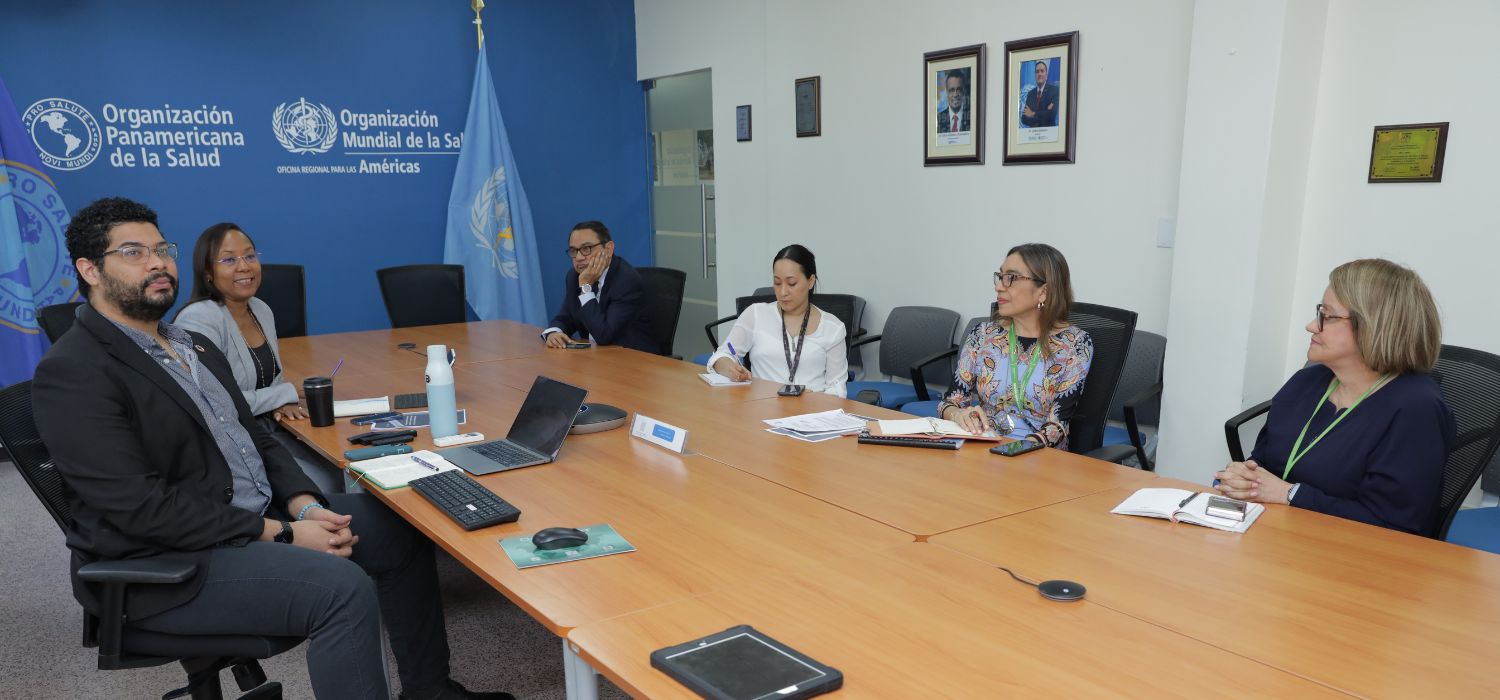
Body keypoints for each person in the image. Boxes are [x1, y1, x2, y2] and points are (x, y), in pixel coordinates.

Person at [31, 197, 511, 700]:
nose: (157, 262)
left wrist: (306, 503)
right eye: (133, 252)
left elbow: (255, 436)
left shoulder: (190, 344)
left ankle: (428, 690)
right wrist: (283, 533)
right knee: (341, 591)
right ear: (90, 270)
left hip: (247, 514)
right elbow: (140, 508)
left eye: (162, 248)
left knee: (398, 524)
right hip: (166, 565)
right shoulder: (74, 371)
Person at [1215, 259, 1454, 535]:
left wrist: (1291, 494)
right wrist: (1243, 479)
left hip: (1359, 560)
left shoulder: (1416, 409)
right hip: (1279, 537)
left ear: (1375, 326)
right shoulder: (1307, 382)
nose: (1310, 326)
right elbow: (1263, 466)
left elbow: (1393, 524)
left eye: (1327, 316)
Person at [174, 222, 340, 494]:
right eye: (229, 259)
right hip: (230, 441)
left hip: (269, 427)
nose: (244, 267)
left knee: (343, 468)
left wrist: (280, 399)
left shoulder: (260, 309)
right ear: (208, 272)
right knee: (323, 485)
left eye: (250, 256)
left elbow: (273, 381)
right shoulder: (199, 319)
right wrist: (281, 395)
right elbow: (215, 404)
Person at [938, 243, 1093, 448]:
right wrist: (958, 414)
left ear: (1043, 292)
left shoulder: (1075, 345)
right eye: (1000, 276)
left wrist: (1013, 450)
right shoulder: (983, 335)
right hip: (981, 445)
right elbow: (949, 402)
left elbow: (1057, 427)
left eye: (1011, 277)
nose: (999, 286)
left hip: (1037, 456)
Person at [706, 244, 848, 397]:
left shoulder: (832, 328)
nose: (782, 292)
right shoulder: (756, 314)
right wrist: (730, 369)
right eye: (777, 283)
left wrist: (811, 399)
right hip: (761, 409)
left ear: (811, 281)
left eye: (792, 283)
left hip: (810, 414)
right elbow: (721, 356)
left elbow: (838, 390)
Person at [541, 220, 657, 353]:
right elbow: (566, 318)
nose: (578, 257)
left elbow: (603, 335)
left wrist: (585, 287)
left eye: (586, 249)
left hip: (634, 359)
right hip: (597, 358)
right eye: (573, 250)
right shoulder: (574, 276)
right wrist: (554, 333)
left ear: (608, 249)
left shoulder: (626, 280)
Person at [1020, 59, 1059, 128]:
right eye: (1037, 72)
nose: (1039, 74)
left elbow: (1051, 115)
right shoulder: (1030, 93)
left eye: (1042, 71)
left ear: (1046, 75)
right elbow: (1024, 119)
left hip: (1048, 135)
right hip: (1033, 135)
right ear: (1035, 76)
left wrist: (1032, 114)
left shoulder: (1054, 90)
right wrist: (1044, 113)